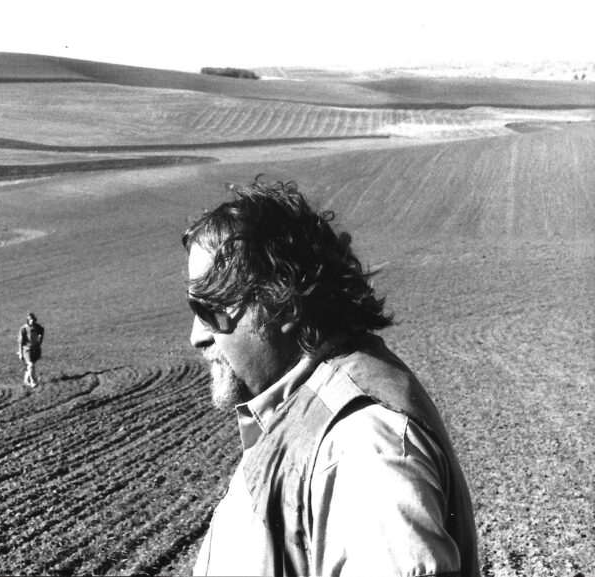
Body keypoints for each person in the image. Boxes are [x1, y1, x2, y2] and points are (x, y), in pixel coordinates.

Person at [183, 178, 479, 576]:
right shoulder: (308, 413)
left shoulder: (360, 447)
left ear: (281, 302)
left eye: (209, 309)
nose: (197, 336)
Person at [17, 313, 44, 387]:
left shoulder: (37, 327)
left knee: (31, 365)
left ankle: (26, 380)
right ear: (28, 320)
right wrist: (20, 353)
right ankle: (33, 381)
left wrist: (39, 343)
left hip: (35, 349)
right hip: (27, 350)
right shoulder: (24, 329)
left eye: (33, 320)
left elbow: (41, 333)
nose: (32, 321)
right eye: (30, 320)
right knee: (31, 365)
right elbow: (20, 342)